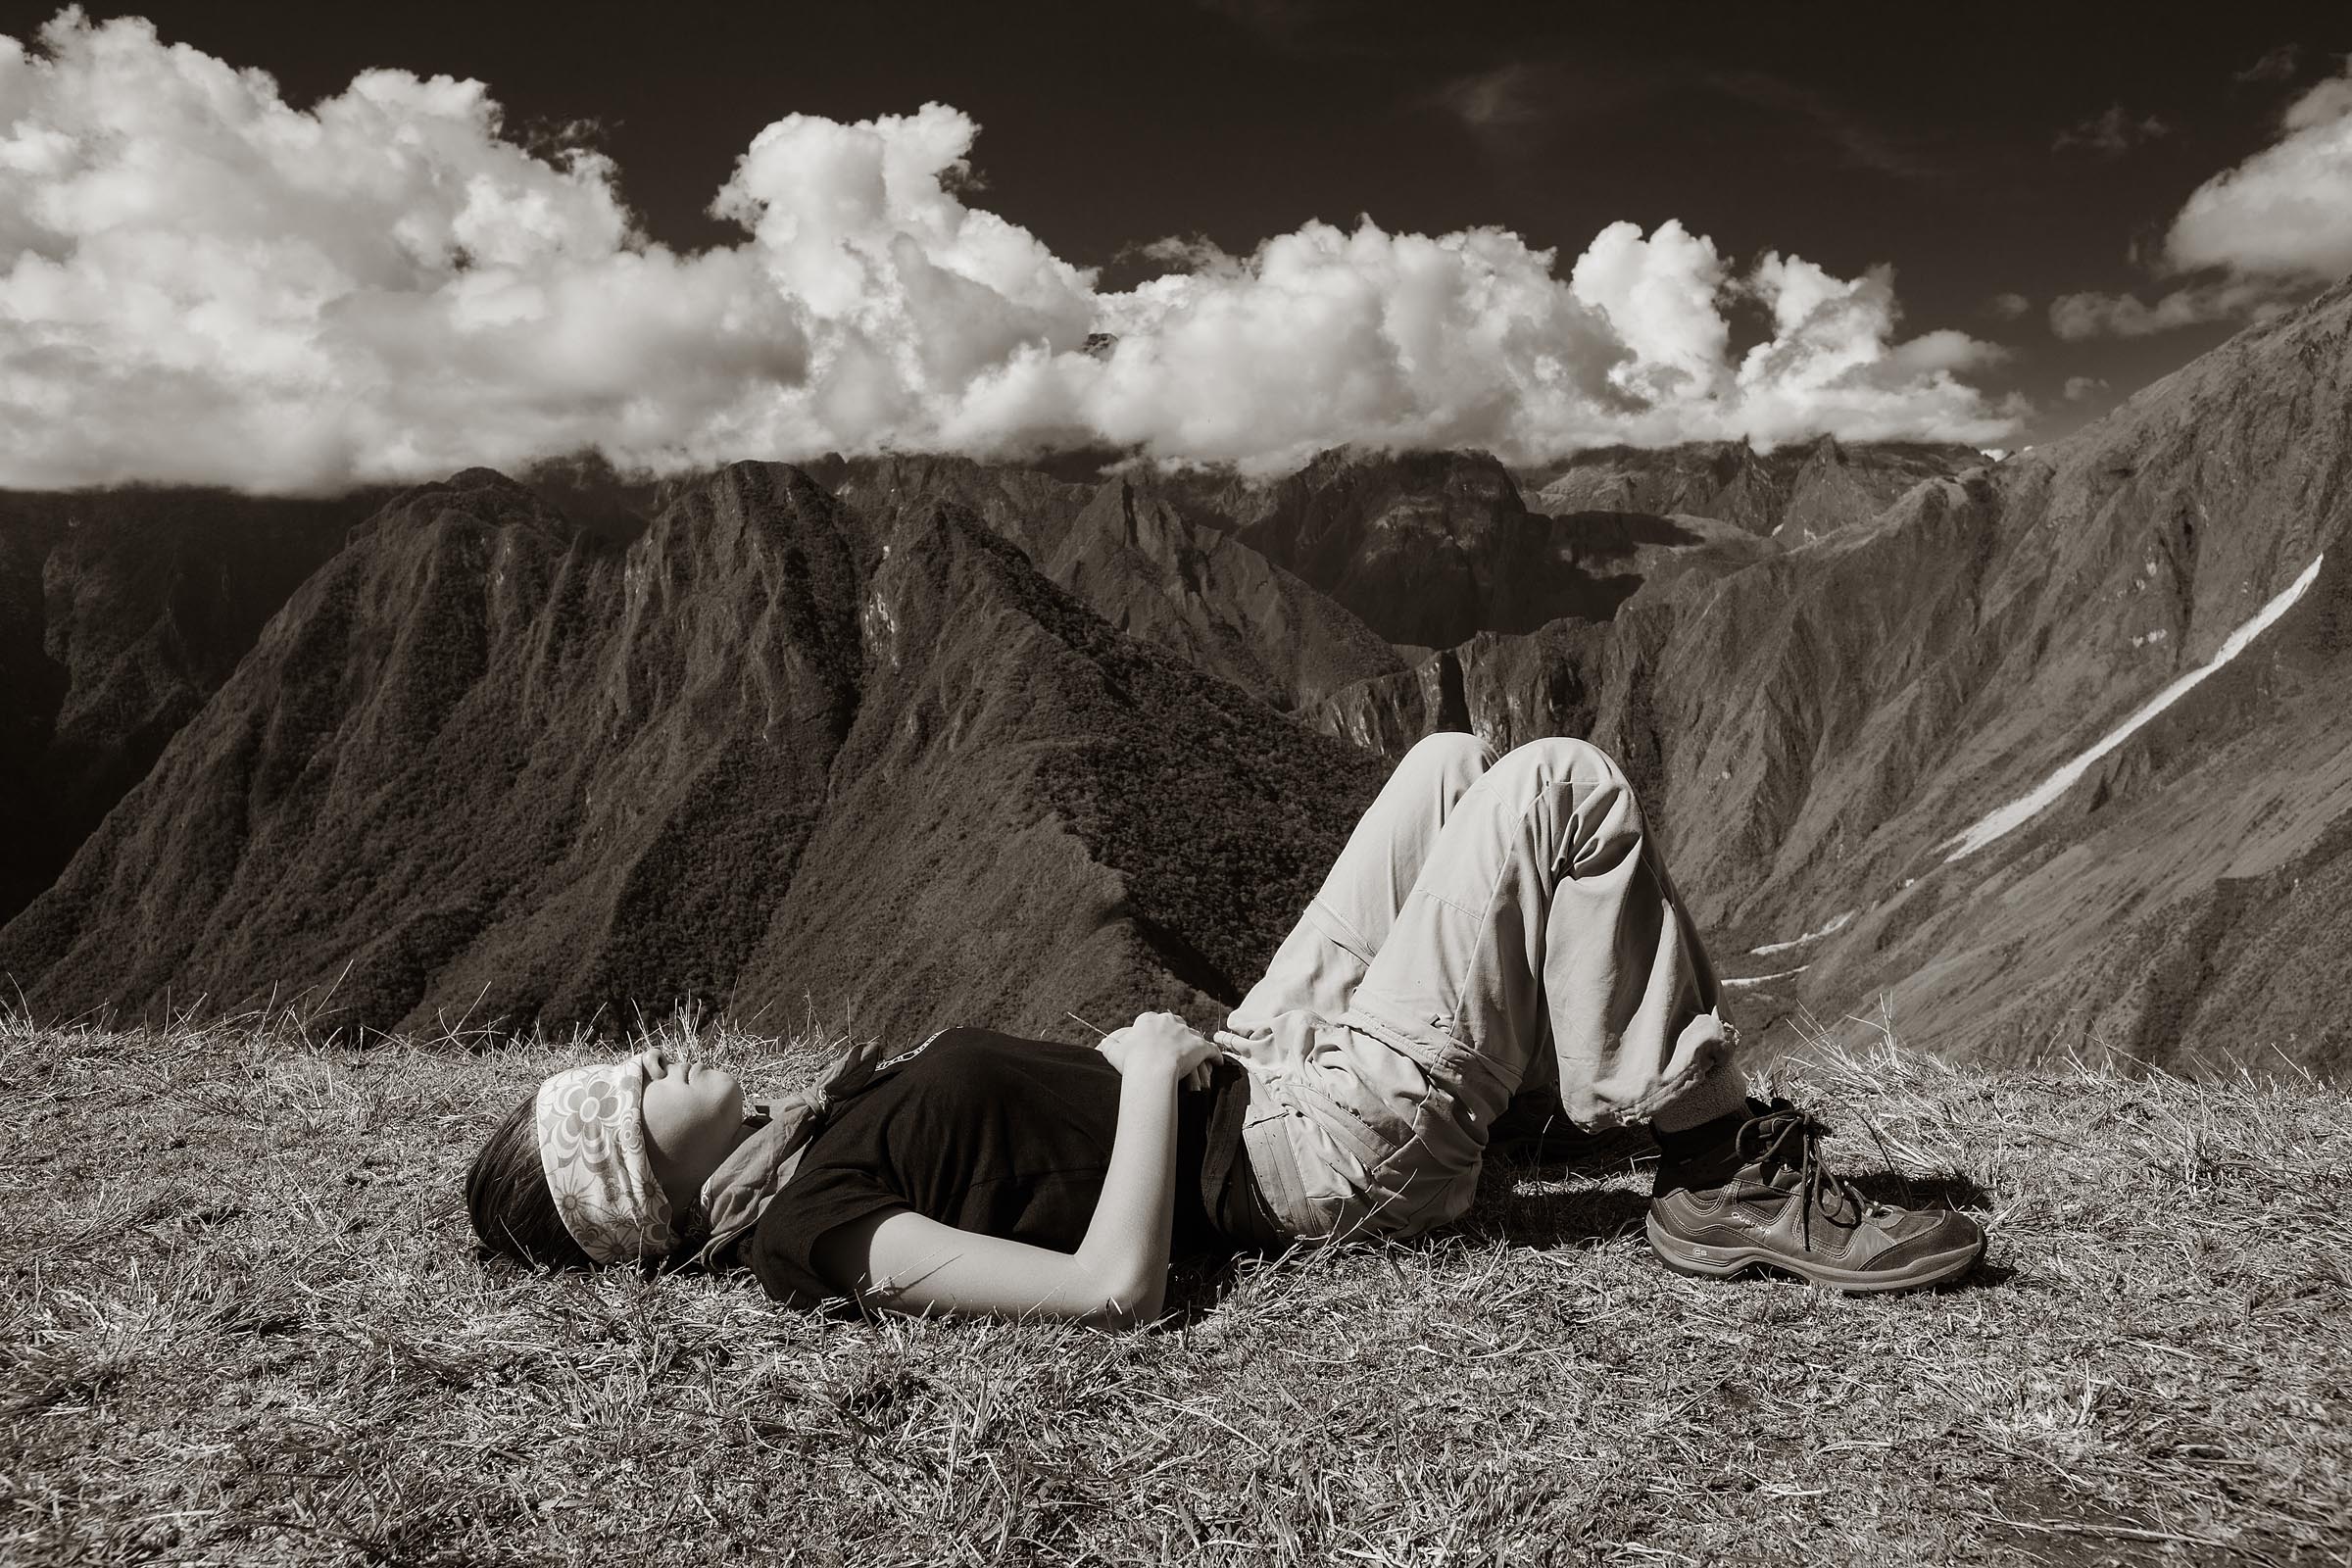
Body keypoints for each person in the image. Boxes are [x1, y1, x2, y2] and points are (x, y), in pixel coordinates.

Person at [467, 733, 1986, 1321]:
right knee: (1559, 790)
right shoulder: (812, 1238)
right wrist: (1141, 1083)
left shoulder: (803, 1140)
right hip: (1304, 1155)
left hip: (1259, 1068)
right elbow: (1111, 1290)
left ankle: (1529, 1083)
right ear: (641, 1199)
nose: (648, 1059)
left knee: (1454, 765)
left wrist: (1187, 1063)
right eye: (617, 1096)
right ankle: (1715, 1163)